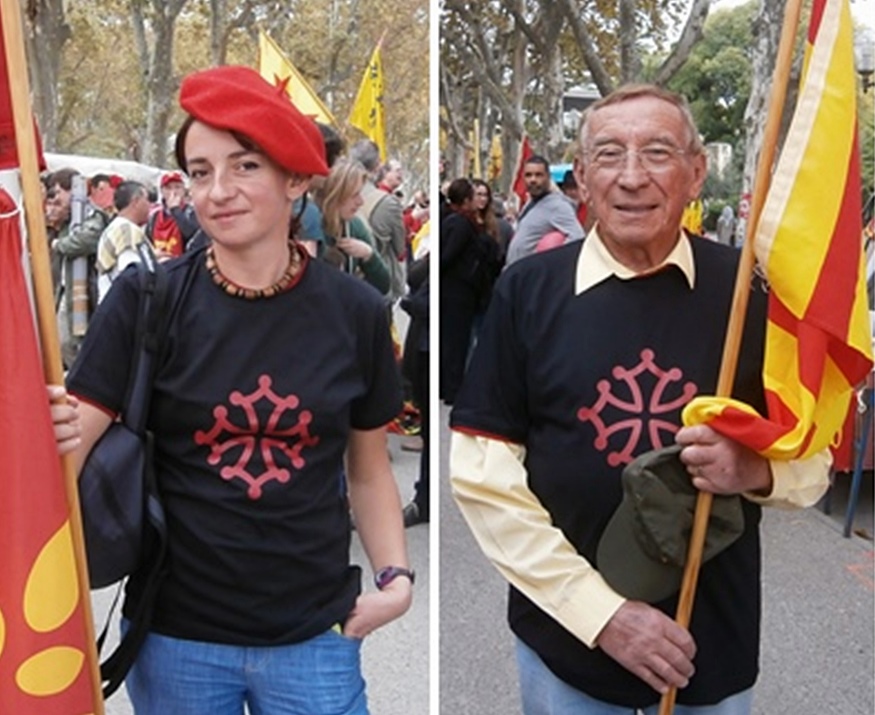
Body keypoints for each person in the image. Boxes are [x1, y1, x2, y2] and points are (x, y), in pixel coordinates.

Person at [449, 84, 830, 715]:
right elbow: (483, 479)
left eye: (657, 152)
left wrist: (759, 469)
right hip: (568, 647)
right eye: (607, 155)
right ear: (583, 179)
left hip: (711, 644)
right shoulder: (527, 292)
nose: (631, 177)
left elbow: (815, 452)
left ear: (696, 173)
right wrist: (602, 616)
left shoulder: (752, 295)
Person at [52, 64, 412, 714]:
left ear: (294, 177)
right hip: (173, 636)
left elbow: (366, 468)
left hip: (316, 635)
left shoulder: (355, 311)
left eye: (244, 165)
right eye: (199, 170)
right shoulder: (145, 298)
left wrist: (395, 577)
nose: (218, 191)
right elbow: (69, 444)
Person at [47, 167, 111, 368]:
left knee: (74, 342)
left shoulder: (94, 215)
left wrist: (59, 245)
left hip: (85, 292)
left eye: (59, 193)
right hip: (65, 290)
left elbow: (85, 240)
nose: (57, 199)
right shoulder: (65, 222)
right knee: (61, 342)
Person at [314, 157, 391, 295]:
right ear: (336, 194)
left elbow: (383, 286)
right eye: (354, 195)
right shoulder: (310, 225)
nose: (360, 202)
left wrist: (369, 256)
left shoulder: (355, 227)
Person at [349, 140, 407, 303]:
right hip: (376, 284)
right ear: (377, 166)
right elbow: (400, 248)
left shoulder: (335, 192)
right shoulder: (388, 202)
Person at [505, 155, 585, 265]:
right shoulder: (531, 203)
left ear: (548, 177)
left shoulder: (558, 205)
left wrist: (550, 264)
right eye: (528, 175)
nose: (533, 180)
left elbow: (577, 237)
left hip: (533, 275)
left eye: (538, 175)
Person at [95, 180, 153, 302]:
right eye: (147, 200)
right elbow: (131, 273)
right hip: (123, 307)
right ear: (136, 202)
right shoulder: (126, 230)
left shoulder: (115, 227)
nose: (150, 205)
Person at [146, 170, 201, 257]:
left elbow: (193, 236)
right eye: (168, 188)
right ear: (162, 191)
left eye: (177, 187)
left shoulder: (192, 213)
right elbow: (148, 243)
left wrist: (175, 210)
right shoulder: (154, 217)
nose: (173, 192)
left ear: (184, 190)